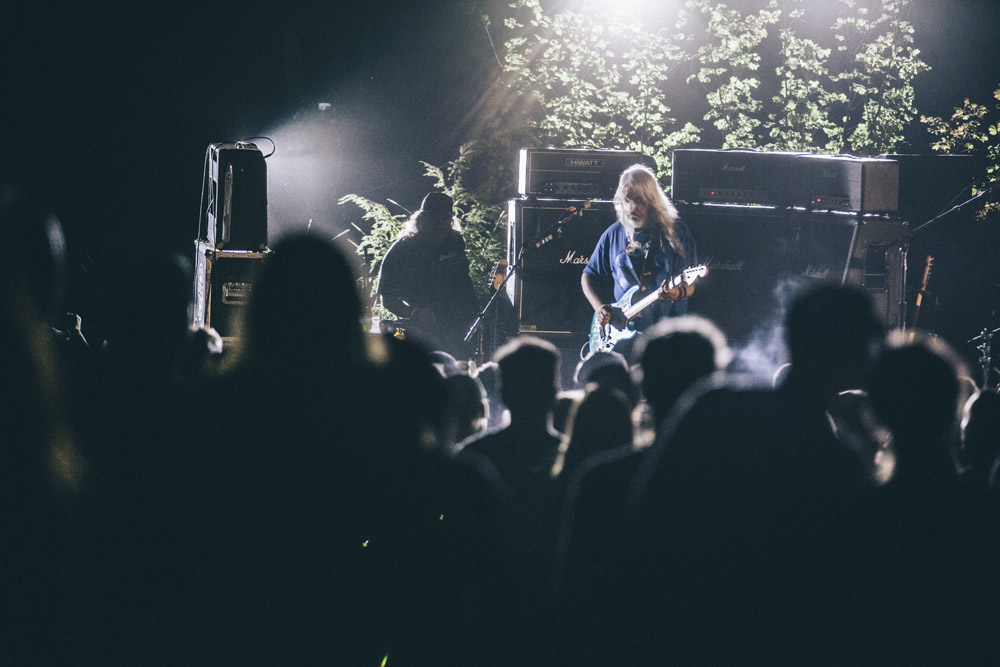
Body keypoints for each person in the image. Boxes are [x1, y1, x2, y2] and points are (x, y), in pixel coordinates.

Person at [581, 164, 698, 358]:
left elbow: (692, 284)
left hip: (667, 337)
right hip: (621, 340)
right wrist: (599, 308)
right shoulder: (613, 233)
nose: (631, 208)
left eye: (638, 201)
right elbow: (588, 276)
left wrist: (677, 292)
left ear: (652, 201)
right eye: (626, 201)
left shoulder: (677, 233)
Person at [377, 191, 479, 358]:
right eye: (434, 220)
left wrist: (475, 315)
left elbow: (463, 281)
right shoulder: (402, 251)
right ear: (422, 220)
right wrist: (414, 313)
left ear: (450, 221)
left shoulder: (455, 241)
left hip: (454, 328)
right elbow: (387, 299)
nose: (439, 226)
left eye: (445, 220)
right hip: (419, 331)